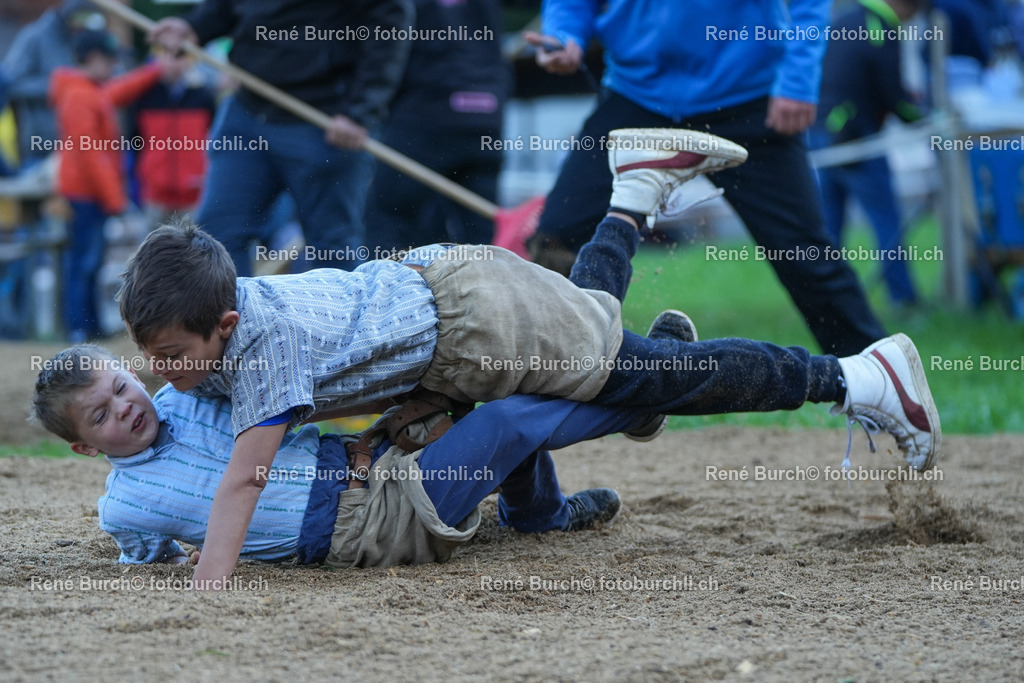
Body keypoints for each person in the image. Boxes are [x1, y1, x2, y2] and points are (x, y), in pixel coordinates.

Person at [117, 128, 941, 588]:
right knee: (600, 328)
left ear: (225, 323)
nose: (163, 374)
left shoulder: (261, 344)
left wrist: (209, 587)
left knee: (654, 373)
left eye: (172, 356)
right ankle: (634, 193)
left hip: (476, 321)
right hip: (443, 326)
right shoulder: (216, 333)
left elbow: (244, 477)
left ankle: (858, 376)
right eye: (148, 357)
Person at [31, 344, 639, 569]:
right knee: (507, 424)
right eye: (101, 415)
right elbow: (144, 553)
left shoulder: (187, 395)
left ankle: (539, 515)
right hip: (363, 524)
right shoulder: (125, 506)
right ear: (85, 447)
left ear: (131, 374)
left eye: (119, 388)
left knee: (488, 395)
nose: (124, 408)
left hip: (369, 458)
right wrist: (190, 549)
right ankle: (642, 401)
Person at [522, 0, 888, 358]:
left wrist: (798, 80)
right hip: (636, 95)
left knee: (804, 256)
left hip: (748, 97)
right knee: (556, 241)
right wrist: (565, 34)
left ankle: (882, 383)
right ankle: (556, 374)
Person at [148, 0, 414, 277]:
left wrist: (361, 110)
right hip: (247, 109)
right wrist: (193, 26)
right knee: (216, 238)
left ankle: (338, 320)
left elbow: (390, 24)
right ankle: (232, 320)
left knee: (332, 249)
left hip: (325, 119)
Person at [49, 29, 168, 342]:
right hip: (85, 195)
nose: (114, 66)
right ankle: (80, 328)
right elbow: (90, 154)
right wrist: (115, 198)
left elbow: (122, 89)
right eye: (109, 59)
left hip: (88, 194)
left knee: (89, 261)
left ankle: (85, 327)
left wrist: (155, 69)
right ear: (93, 58)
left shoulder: (86, 91)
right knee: (85, 262)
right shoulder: (80, 95)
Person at [363, 0, 509, 253]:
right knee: (480, 238)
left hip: (425, 117)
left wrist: (359, 110)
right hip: (487, 116)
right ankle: (482, 290)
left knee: (388, 218)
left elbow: (383, 47)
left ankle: (388, 289)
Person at [811, 0, 925, 307]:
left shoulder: (845, 17)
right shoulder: (881, 28)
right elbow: (894, 95)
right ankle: (903, 298)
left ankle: (825, 302)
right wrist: (926, 118)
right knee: (885, 218)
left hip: (820, 129)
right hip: (854, 136)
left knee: (827, 227)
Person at [2, 0, 103, 169]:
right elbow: (11, 84)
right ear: (68, 19)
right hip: (41, 142)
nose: (81, 31)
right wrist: (57, 87)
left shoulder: (84, 37)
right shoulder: (33, 36)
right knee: (35, 193)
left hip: (78, 142)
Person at [129, 46, 216, 229]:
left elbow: (214, 140)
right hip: (156, 192)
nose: (173, 62)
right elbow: (135, 140)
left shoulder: (203, 96)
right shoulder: (144, 96)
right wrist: (146, 173)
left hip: (193, 191)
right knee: (153, 250)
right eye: (166, 56)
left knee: (193, 251)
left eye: (179, 56)